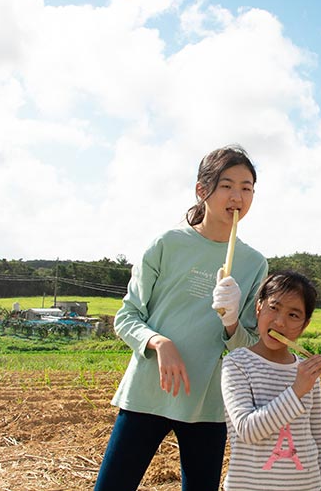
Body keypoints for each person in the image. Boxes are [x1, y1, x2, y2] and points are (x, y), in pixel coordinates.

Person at [94, 145, 268, 491]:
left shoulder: (255, 263)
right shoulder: (167, 244)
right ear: (202, 190)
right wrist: (158, 342)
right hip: (147, 392)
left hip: (207, 401)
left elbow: (248, 345)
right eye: (227, 185)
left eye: (246, 188)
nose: (237, 197)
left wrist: (232, 321)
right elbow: (127, 315)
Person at [221, 271, 321, 491]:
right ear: (258, 307)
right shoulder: (237, 364)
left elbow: (318, 439)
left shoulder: (305, 371)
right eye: (273, 308)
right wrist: (296, 391)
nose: (280, 322)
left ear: (305, 324)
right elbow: (247, 430)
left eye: (294, 315)